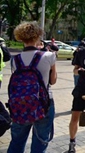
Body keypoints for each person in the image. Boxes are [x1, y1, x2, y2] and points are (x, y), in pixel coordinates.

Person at [8, 21, 57, 153]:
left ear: (21, 38)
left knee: (17, 142)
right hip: (43, 104)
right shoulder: (49, 56)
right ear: (37, 37)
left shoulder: (15, 60)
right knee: (40, 143)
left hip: (20, 104)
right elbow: (52, 81)